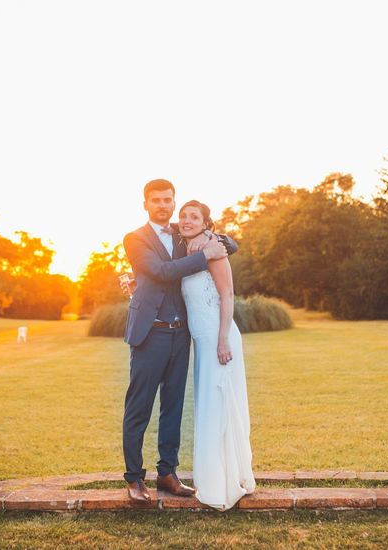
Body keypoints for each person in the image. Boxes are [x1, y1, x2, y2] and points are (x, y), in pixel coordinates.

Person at [120, 179, 237, 503]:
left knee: (173, 407)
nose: (162, 205)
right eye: (155, 200)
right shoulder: (135, 239)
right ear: (146, 204)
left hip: (180, 333)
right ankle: (134, 478)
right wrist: (204, 256)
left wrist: (216, 242)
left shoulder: (180, 232)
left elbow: (230, 244)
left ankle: (167, 473)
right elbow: (159, 271)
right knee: (139, 408)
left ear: (174, 202)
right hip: (150, 333)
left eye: (167, 200)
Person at [177, 200, 256, 510]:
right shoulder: (183, 245)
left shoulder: (214, 246)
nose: (186, 220)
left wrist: (223, 339)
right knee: (211, 406)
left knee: (219, 405)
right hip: (201, 339)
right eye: (183, 215)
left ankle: (222, 482)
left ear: (206, 222)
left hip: (217, 338)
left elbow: (227, 294)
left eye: (194, 216)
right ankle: (217, 475)